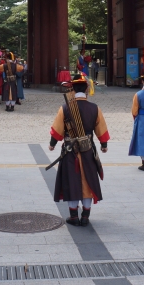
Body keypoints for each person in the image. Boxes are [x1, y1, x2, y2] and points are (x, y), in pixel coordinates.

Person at [48, 74, 110, 226]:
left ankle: (74, 216)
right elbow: (101, 129)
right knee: (88, 181)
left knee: (72, 181)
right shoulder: (95, 108)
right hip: (87, 149)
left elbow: (57, 129)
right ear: (86, 89)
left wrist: (52, 144)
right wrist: (103, 145)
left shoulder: (65, 108)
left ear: (73, 89)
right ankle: (85, 217)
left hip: (70, 151)